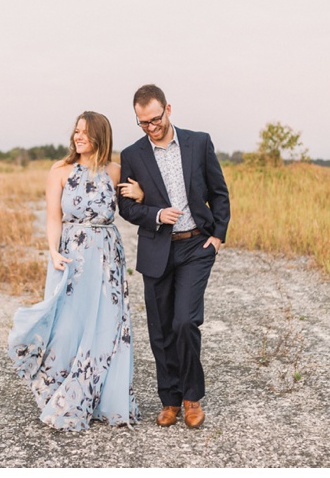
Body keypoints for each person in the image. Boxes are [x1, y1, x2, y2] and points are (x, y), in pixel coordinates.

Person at [8, 111, 141, 431]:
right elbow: (54, 217)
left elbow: (132, 209)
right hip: (71, 256)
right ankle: (62, 392)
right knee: (67, 325)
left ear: (100, 136)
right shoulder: (60, 171)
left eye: (85, 132)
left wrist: (141, 195)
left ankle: (104, 398)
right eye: (76, 131)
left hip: (107, 257)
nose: (78, 136)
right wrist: (53, 251)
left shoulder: (115, 171)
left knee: (107, 328)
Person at [117, 84, 230, 429]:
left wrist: (218, 235)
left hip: (196, 246)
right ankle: (169, 400)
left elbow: (218, 191)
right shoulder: (132, 154)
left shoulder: (199, 142)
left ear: (168, 109)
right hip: (157, 249)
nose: (151, 128)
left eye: (155, 119)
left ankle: (191, 396)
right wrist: (153, 212)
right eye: (143, 123)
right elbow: (125, 205)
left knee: (185, 321)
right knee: (161, 330)